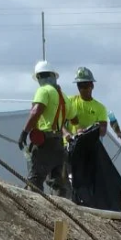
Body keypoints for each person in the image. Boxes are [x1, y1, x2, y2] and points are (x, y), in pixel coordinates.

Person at [19, 60, 74, 197]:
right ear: (54, 76)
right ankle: (61, 209)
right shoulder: (64, 97)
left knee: (35, 180)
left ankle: (36, 209)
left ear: (38, 78)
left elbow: (35, 111)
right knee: (59, 183)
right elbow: (74, 118)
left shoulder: (43, 91)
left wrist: (24, 133)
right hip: (58, 145)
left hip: (45, 144)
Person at [65, 67, 109, 205]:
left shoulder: (99, 108)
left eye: (86, 85)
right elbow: (59, 122)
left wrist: (90, 130)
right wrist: (67, 134)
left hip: (89, 151)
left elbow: (103, 130)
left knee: (88, 181)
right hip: (71, 148)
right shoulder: (70, 102)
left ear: (92, 86)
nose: (83, 88)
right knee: (67, 179)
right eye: (80, 85)